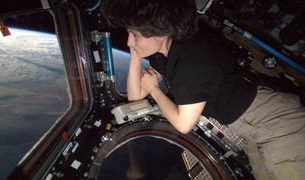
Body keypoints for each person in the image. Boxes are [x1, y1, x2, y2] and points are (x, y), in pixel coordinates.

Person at [101, 0, 305, 179]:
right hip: (255, 128)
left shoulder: (192, 60)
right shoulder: (164, 52)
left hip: (278, 126)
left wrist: (155, 90)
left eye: (135, 35)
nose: (129, 40)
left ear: (162, 30)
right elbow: (135, 95)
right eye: (129, 32)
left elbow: (183, 124)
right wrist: (135, 53)